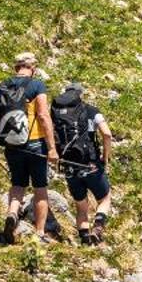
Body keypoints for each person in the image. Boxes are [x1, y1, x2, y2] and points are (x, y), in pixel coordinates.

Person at [0, 54, 57, 244]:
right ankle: (39, 233)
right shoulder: (37, 86)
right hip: (35, 143)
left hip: (11, 144)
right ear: (33, 68)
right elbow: (43, 115)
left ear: (16, 67)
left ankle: (12, 213)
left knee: (18, 184)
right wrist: (52, 148)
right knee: (40, 188)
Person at [50, 83, 113, 244]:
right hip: (90, 164)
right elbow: (106, 134)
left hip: (69, 165)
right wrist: (105, 157)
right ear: (80, 95)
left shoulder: (56, 112)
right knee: (105, 199)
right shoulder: (91, 110)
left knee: (81, 206)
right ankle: (98, 228)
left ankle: (85, 241)